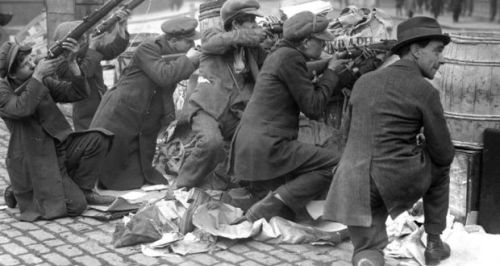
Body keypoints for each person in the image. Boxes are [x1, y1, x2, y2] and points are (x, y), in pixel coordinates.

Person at [323, 17, 455, 266]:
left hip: (352, 182)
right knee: (441, 166)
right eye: (437, 51)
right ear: (416, 51)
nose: (442, 59)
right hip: (395, 178)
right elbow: (444, 153)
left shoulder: (364, 81)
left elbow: (346, 134)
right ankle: (435, 243)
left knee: (368, 248)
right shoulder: (425, 90)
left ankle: (367, 257)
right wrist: (420, 145)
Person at [229, 11, 354, 222]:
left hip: (253, 147)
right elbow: (314, 107)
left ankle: (272, 202)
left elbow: (302, 77)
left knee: (293, 210)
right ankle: (269, 206)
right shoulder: (290, 57)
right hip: (269, 147)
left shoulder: (280, 54)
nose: (323, 48)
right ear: (305, 42)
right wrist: (331, 72)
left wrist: (327, 67)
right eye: (320, 42)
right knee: (338, 163)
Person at [0, 40, 115, 221]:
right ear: (12, 73)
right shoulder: (4, 88)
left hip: (60, 145)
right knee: (76, 206)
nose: (32, 65)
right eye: (25, 65)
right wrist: (37, 76)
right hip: (36, 156)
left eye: (31, 60)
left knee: (99, 139)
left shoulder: (39, 79)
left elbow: (75, 93)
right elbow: (20, 109)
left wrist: (73, 64)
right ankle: (18, 190)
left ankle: (84, 190)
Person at [89, 16, 201, 190]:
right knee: (115, 152)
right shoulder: (148, 48)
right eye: (188, 42)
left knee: (139, 155)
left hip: (143, 109)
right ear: (172, 41)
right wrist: (189, 60)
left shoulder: (170, 51)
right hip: (122, 108)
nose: (191, 46)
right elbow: (164, 76)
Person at [175, 0, 269, 189]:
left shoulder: (252, 49)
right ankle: (180, 186)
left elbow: (272, 68)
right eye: (251, 21)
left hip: (233, 112)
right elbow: (211, 44)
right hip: (207, 107)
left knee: (256, 141)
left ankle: (226, 185)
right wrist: (246, 36)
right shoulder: (214, 35)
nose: (256, 25)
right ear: (235, 24)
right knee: (211, 143)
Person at [53, 10, 130, 131]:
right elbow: (84, 74)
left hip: (103, 108)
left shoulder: (86, 51)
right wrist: (92, 47)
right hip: (85, 117)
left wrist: (121, 26)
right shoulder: (59, 64)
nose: (84, 41)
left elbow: (114, 50)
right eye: (81, 39)